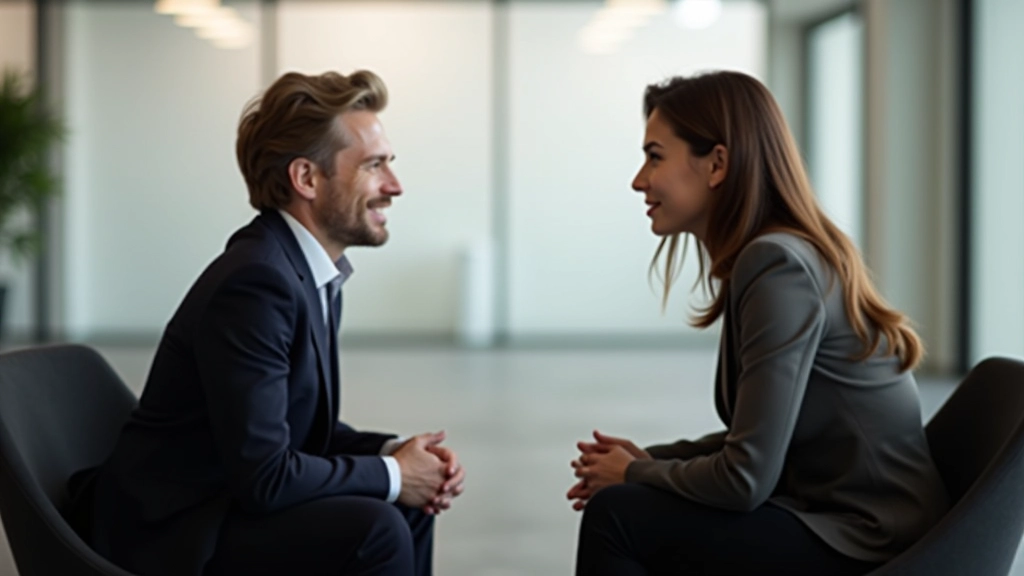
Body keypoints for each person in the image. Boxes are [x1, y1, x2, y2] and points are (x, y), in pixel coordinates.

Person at [67, 70, 464, 576]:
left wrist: (397, 457)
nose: (395, 186)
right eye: (373, 165)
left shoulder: (304, 271)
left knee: (405, 505)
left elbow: (293, 429)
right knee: (376, 527)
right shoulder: (256, 283)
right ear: (306, 179)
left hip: (227, 499)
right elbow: (266, 475)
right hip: (177, 533)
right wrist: (391, 474)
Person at [566, 71, 949, 576]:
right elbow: (757, 440)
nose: (640, 180)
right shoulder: (775, 255)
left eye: (655, 156)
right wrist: (645, 464)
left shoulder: (777, 267)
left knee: (618, 517)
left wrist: (637, 472)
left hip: (868, 538)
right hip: (836, 516)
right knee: (633, 504)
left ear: (717, 164)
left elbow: (746, 479)